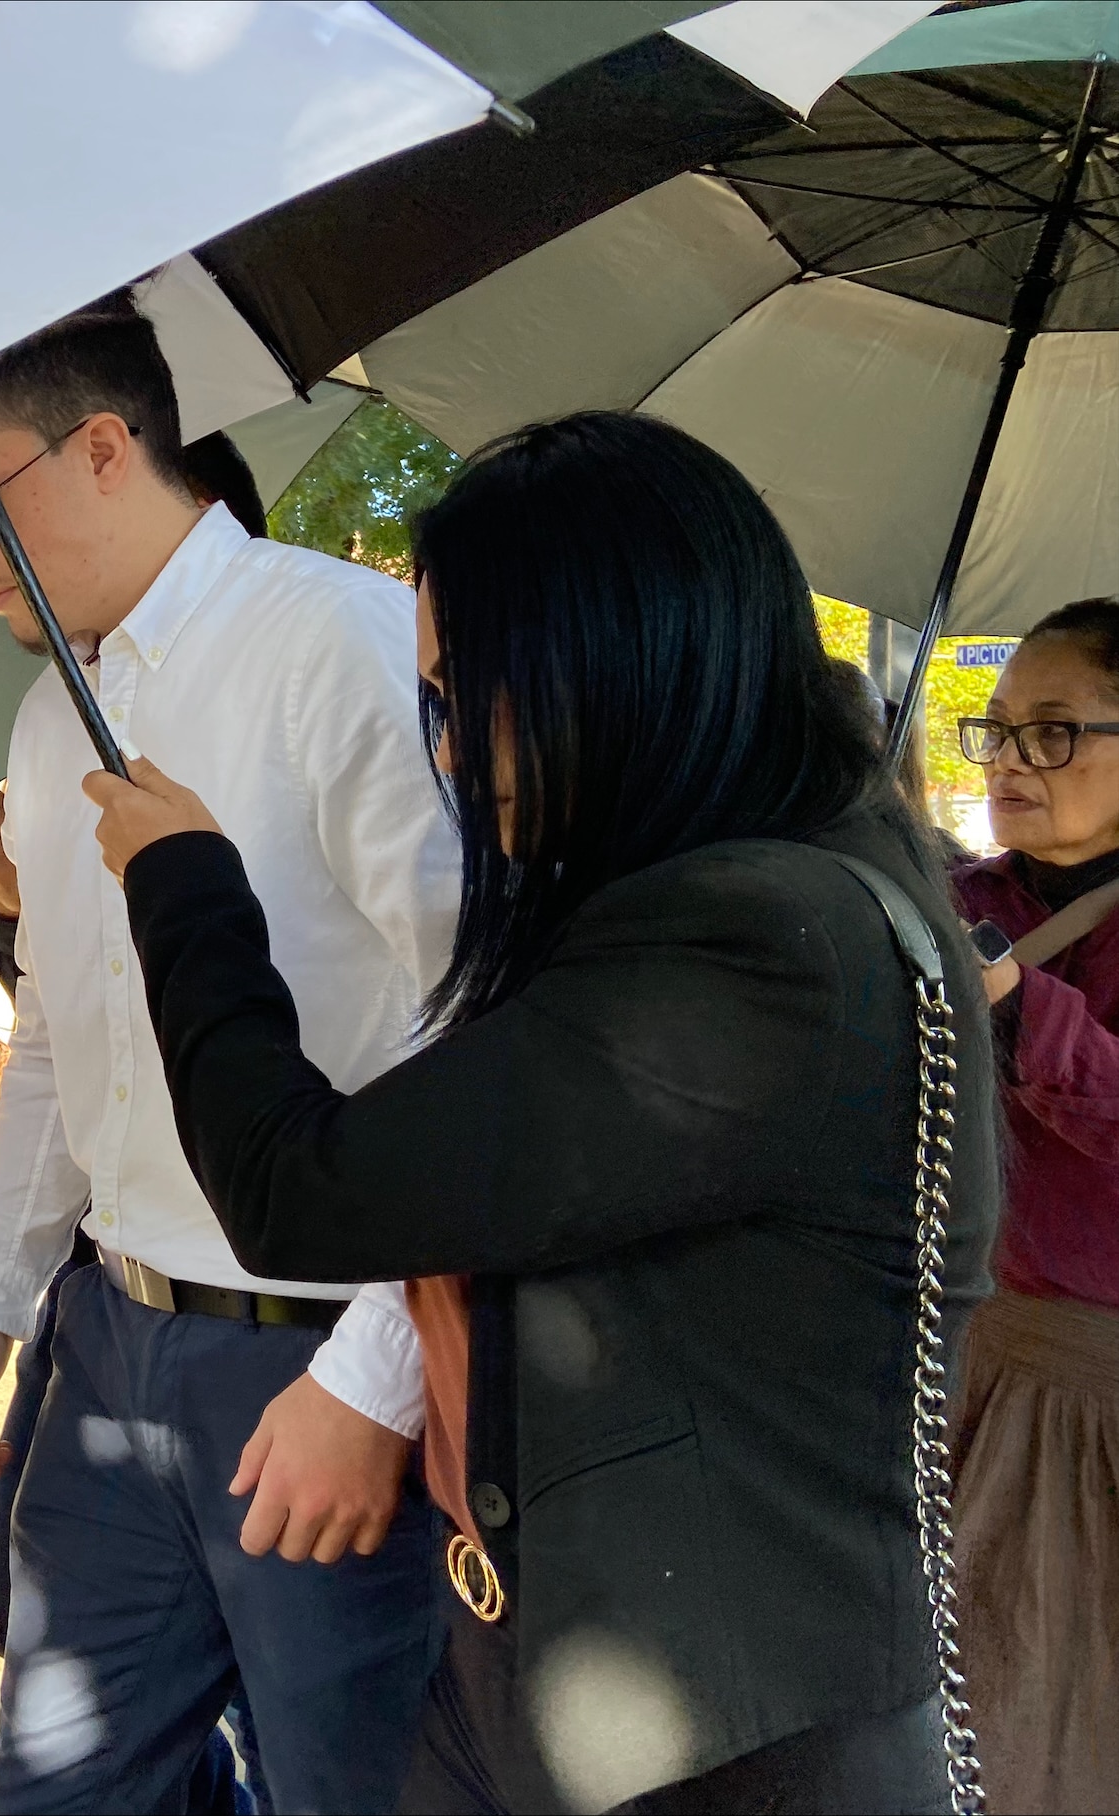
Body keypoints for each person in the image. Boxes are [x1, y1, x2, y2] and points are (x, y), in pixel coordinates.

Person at [84, 410, 999, 1812]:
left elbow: (300, 1188)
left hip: (726, 1741)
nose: (448, 758)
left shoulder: (753, 948)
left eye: (465, 701)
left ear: (610, 658)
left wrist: (187, 883)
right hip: (575, 1675)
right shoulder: (791, 877)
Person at [0, 292, 457, 1812]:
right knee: (67, 1788)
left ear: (100, 449)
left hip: (322, 1359)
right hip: (112, 1344)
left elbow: (475, 1022)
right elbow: (69, 1053)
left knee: (355, 1789)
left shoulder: (334, 641)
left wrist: (381, 1380)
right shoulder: (39, 726)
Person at [945, 599, 1119, 1813]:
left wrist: (1014, 1008)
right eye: (998, 728)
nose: (1008, 758)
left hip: (1083, 1398)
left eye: (1052, 730)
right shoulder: (948, 892)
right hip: (950, 1356)